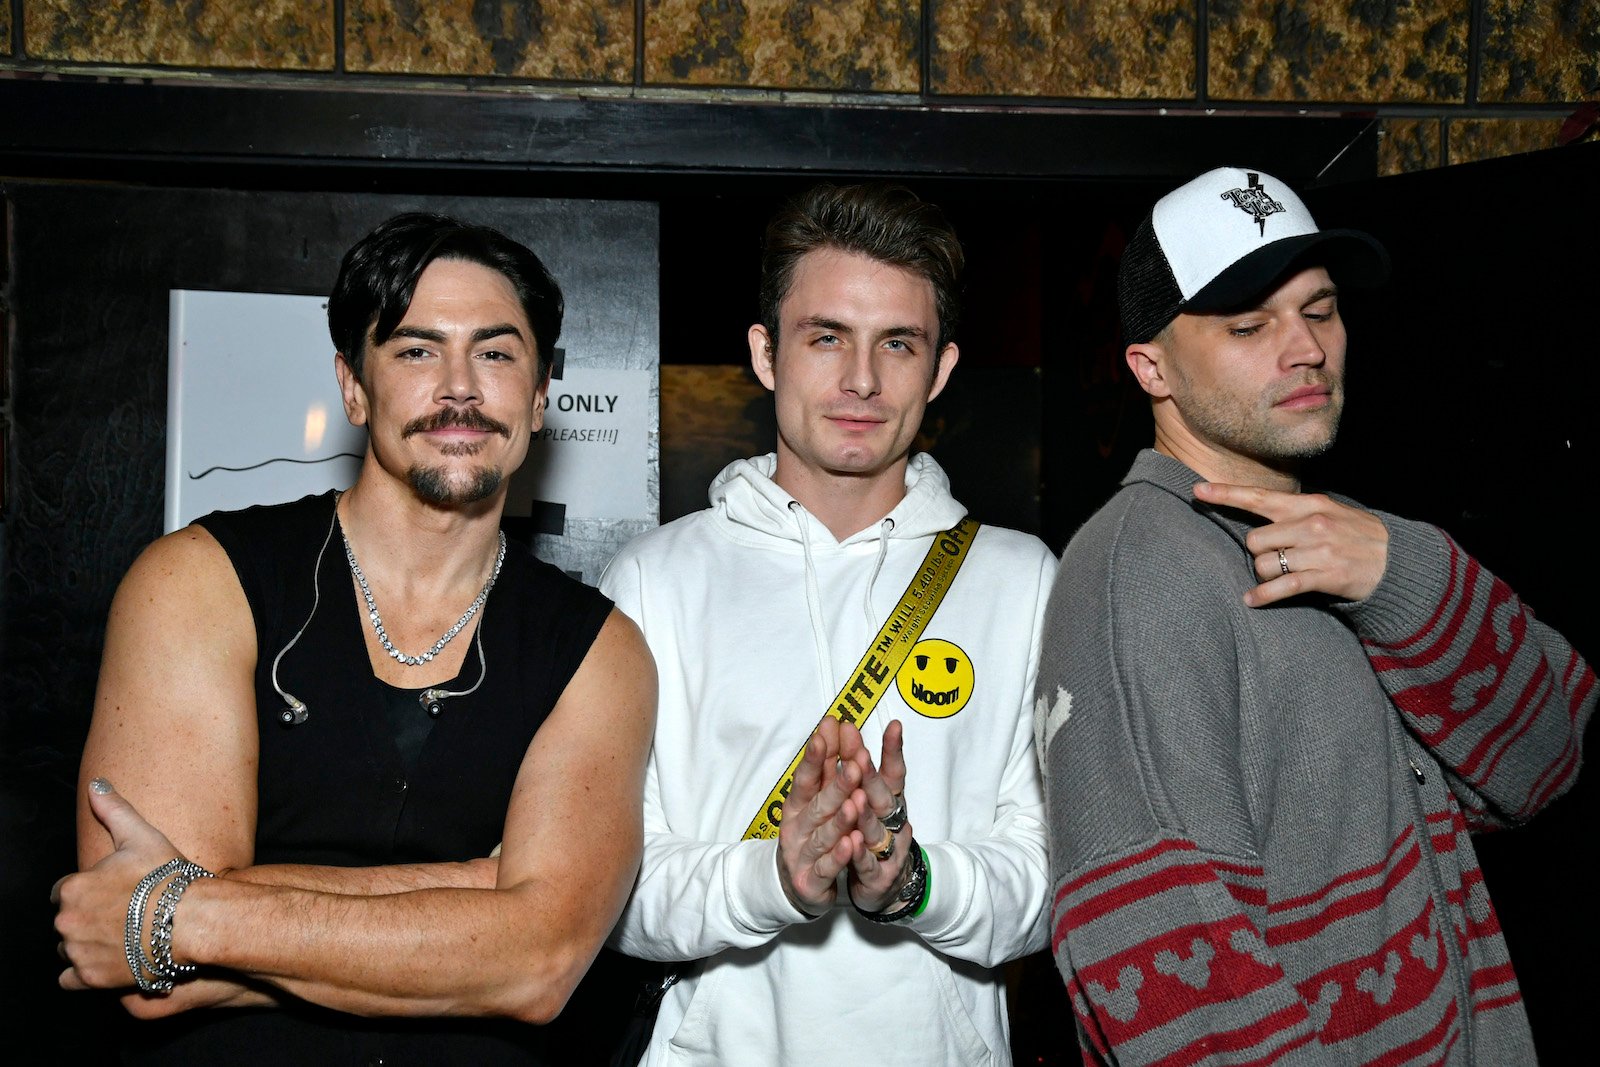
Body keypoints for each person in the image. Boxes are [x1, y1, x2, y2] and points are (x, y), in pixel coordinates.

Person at [51, 212, 656, 1064]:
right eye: (415, 350)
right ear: (353, 386)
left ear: (540, 393)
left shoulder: (598, 648)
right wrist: (482, 889)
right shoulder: (200, 580)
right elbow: (146, 973)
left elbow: (539, 963)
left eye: (496, 352)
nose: (459, 387)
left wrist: (192, 911)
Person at [1035, 166, 1596, 1063]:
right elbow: (1175, 988)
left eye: (1322, 309)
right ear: (1152, 367)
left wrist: (1400, 574)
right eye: (1250, 324)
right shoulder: (1138, 572)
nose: (1306, 349)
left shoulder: (1347, 541)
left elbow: (1548, 759)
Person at [598, 182, 1056, 1066]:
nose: (861, 379)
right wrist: (774, 878)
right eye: (826, 337)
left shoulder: (1022, 579)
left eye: (898, 342)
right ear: (766, 353)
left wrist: (912, 880)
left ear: (943, 368)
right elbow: (611, 884)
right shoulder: (656, 580)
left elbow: (1052, 882)